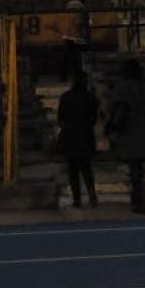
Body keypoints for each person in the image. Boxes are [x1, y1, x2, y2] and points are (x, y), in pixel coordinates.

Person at [105, 58, 145, 214]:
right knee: (138, 166)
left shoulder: (123, 87)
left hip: (130, 129)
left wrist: (112, 126)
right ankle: (138, 197)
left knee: (134, 166)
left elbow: (116, 108)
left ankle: (137, 198)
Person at [57, 69, 100, 208]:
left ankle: (77, 199)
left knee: (73, 171)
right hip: (85, 135)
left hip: (71, 136)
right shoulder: (91, 98)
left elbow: (60, 118)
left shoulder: (66, 97)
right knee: (86, 169)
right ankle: (91, 194)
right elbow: (94, 118)